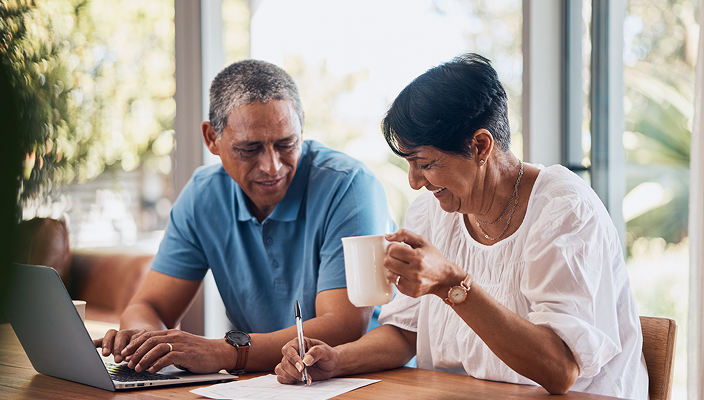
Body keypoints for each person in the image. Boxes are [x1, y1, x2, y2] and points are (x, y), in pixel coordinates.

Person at [275, 54, 649, 399]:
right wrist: (336, 360)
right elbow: (406, 332)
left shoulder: (564, 211)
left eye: (424, 163)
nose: (414, 181)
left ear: (481, 146)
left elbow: (560, 370)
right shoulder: (431, 211)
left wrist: (452, 285)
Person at [94, 59, 392, 375]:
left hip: (364, 379)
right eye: (249, 149)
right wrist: (146, 341)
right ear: (212, 139)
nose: (272, 166)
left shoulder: (349, 186)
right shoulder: (202, 195)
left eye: (286, 143)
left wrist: (225, 353)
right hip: (264, 382)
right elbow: (148, 306)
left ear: (301, 131)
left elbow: (343, 326)